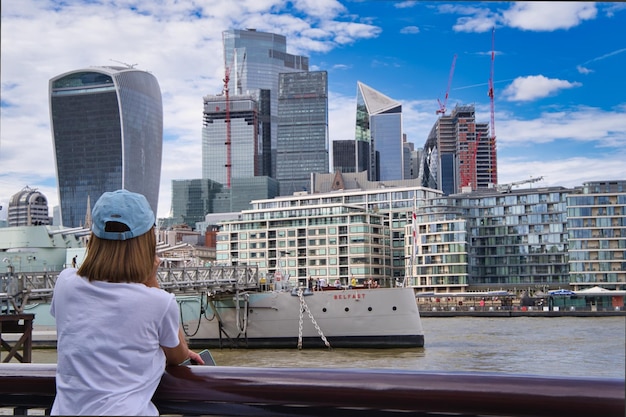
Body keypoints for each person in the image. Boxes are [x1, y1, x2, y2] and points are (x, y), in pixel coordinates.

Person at [50, 189, 204, 416]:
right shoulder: (158, 302)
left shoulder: (64, 283)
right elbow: (178, 358)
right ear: (147, 242)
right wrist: (151, 280)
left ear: (93, 239)